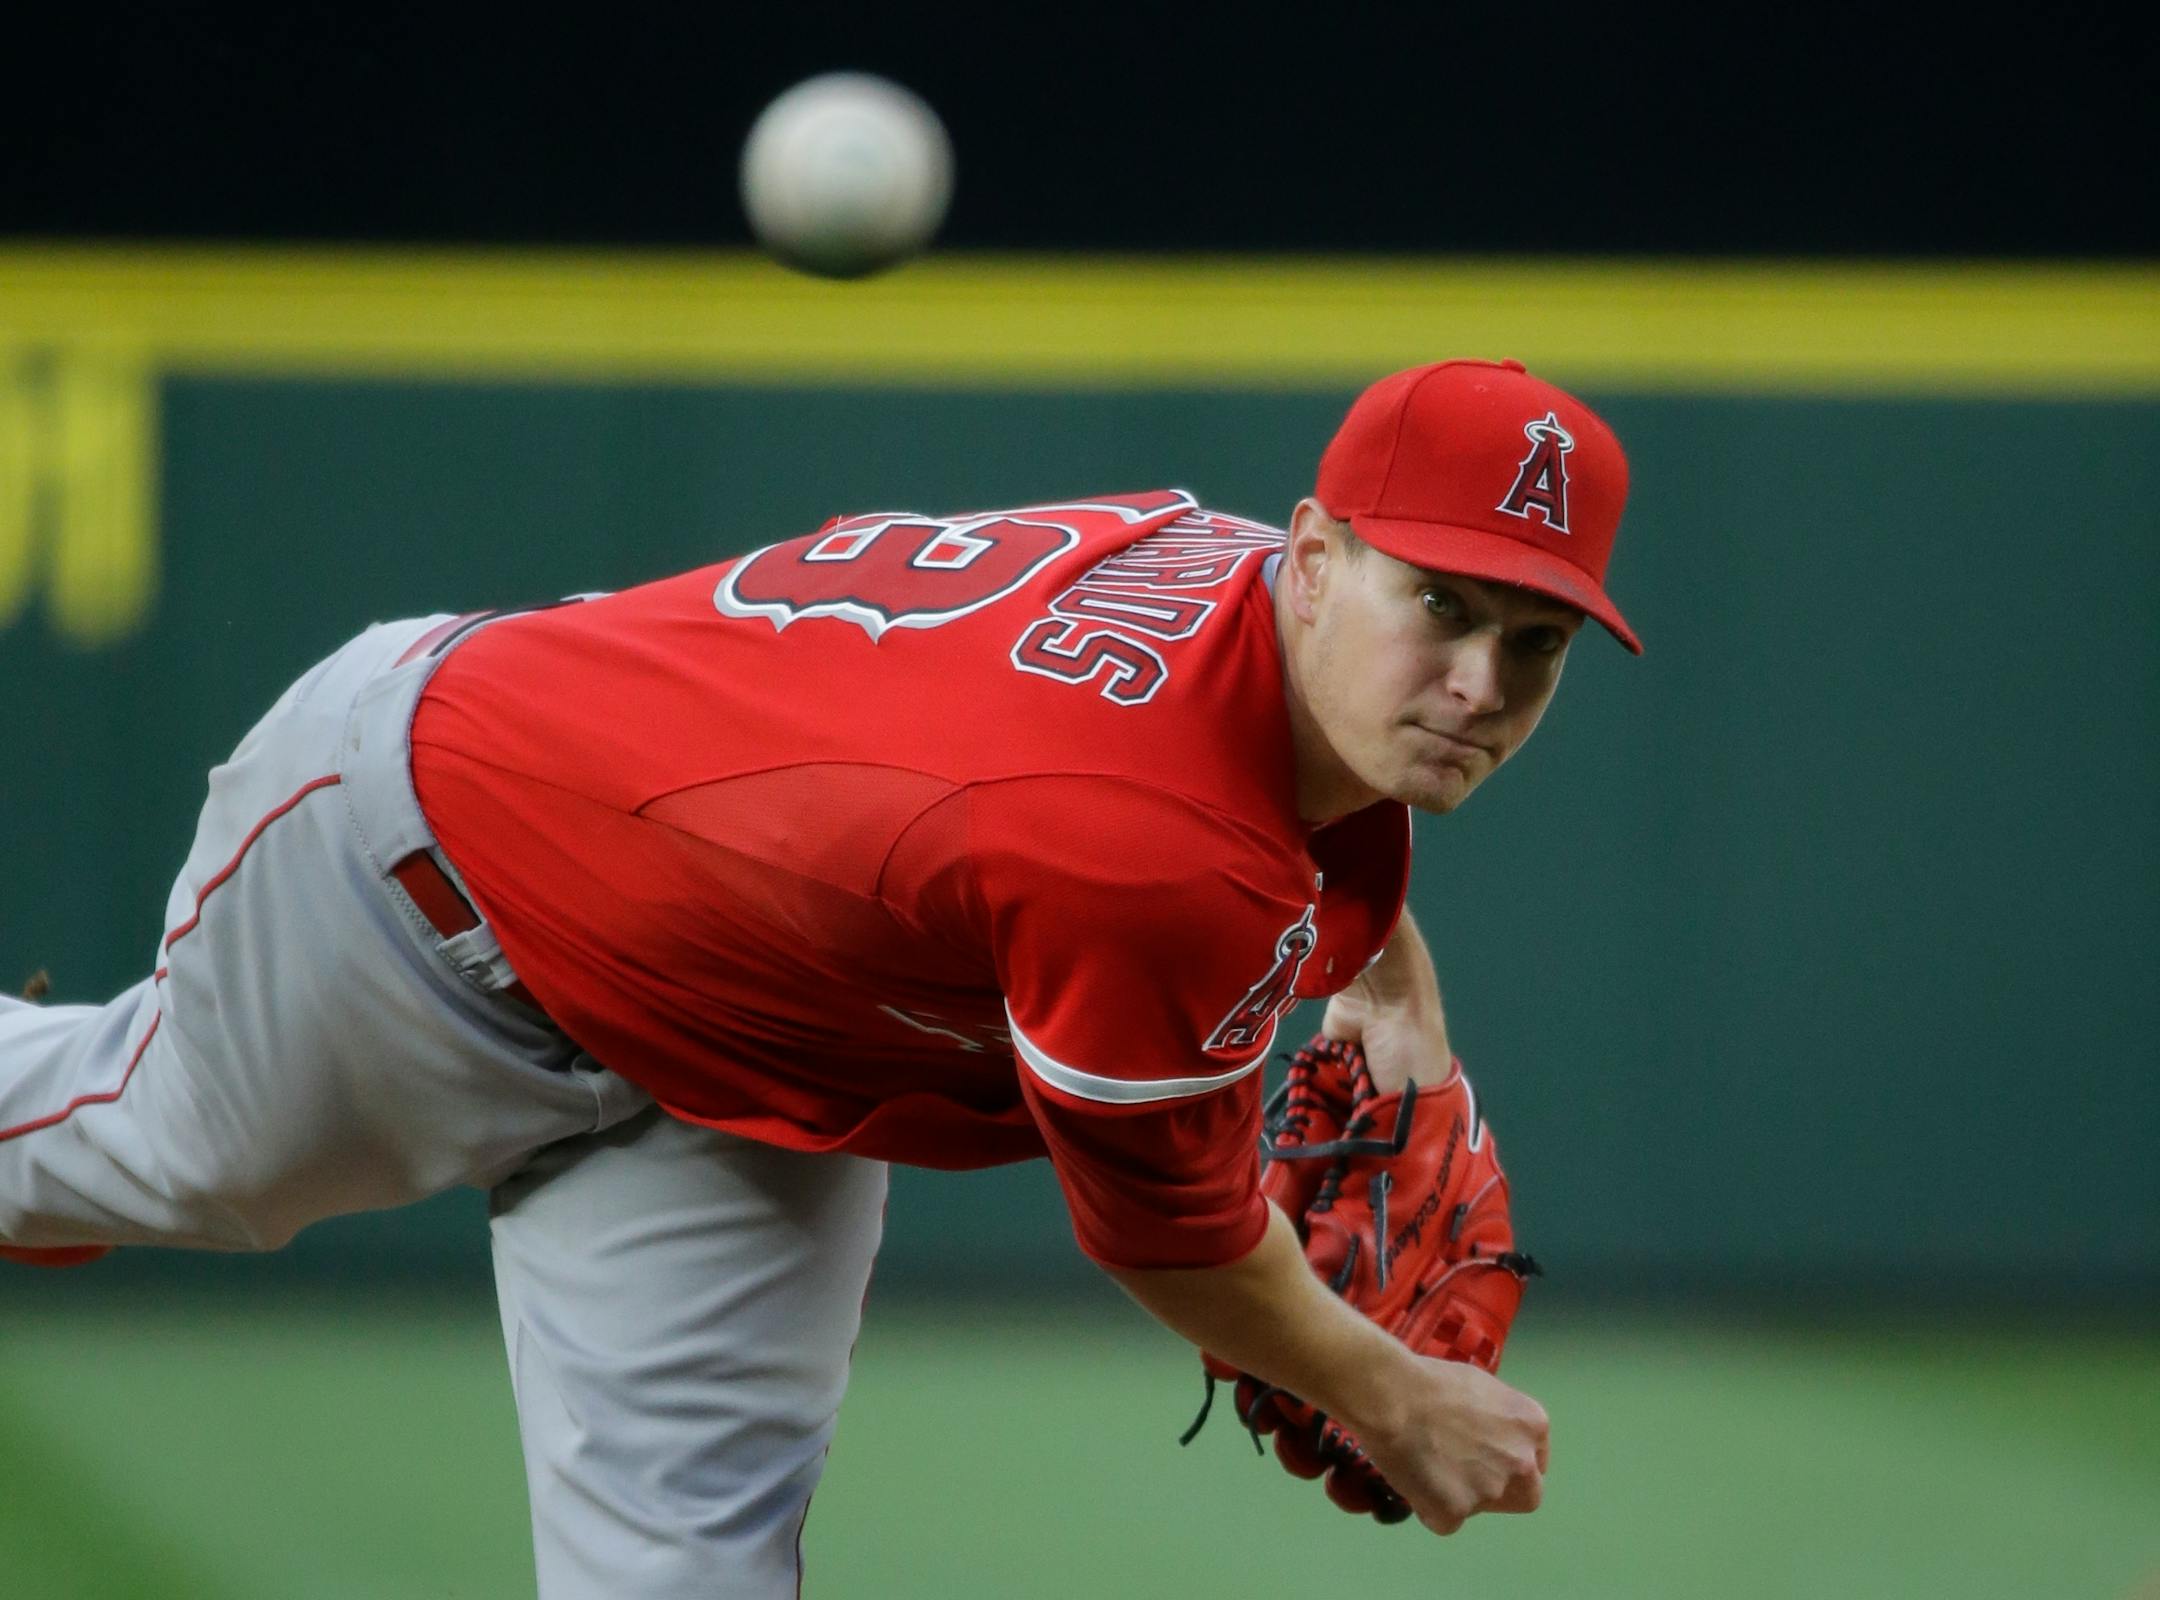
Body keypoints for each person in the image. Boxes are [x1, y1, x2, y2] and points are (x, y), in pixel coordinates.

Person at [0, 357, 1639, 1597]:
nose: (1479, 683)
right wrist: (1393, 1393)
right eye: (1440, 606)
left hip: (741, 1063)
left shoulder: (1231, 602)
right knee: (143, 1150)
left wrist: (1390, 985)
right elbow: (1177, 1238)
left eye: (1536, 640)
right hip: (421, 868)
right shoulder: (1142, 849)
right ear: (1312, 556)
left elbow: (1280, 819)